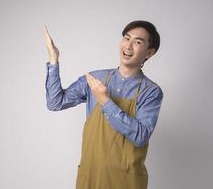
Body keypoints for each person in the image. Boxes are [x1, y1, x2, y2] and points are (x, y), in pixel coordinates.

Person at [44, 20, 163, 189]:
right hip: (91, 177)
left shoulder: (150, 91)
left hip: (126, 181)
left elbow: (140, 135)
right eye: (126, 38)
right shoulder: (95, 79)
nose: (128, 46)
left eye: (137, 42)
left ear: (149, 53)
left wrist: (105, 101)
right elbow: (55, 102)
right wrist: (53, 60)